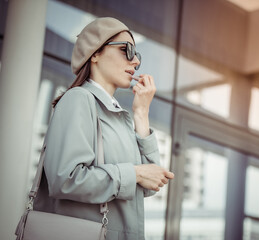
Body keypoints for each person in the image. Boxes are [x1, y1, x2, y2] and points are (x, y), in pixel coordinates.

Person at [33, 17, 174, 240]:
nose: (135, 61)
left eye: (138, 54)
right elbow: (66, 179)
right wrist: (134, 173)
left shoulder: (120, 117)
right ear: (95, 53)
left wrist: (141, 113)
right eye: (127, 50)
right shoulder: (78, 99)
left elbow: (149, 184)